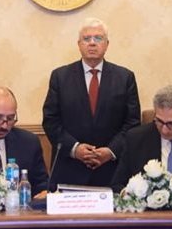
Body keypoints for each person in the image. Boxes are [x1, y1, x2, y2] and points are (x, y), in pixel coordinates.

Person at [42, 17, 141, 187]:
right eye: (87, 39)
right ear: (79, 44)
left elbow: (132, 123)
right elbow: (51, 121)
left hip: (112, 171)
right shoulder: (60, 77)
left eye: (98, 38)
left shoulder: (125, 77)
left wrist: (110, 151)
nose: (92, 43)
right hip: (70, 170)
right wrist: (75, 149)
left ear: (107, 44)